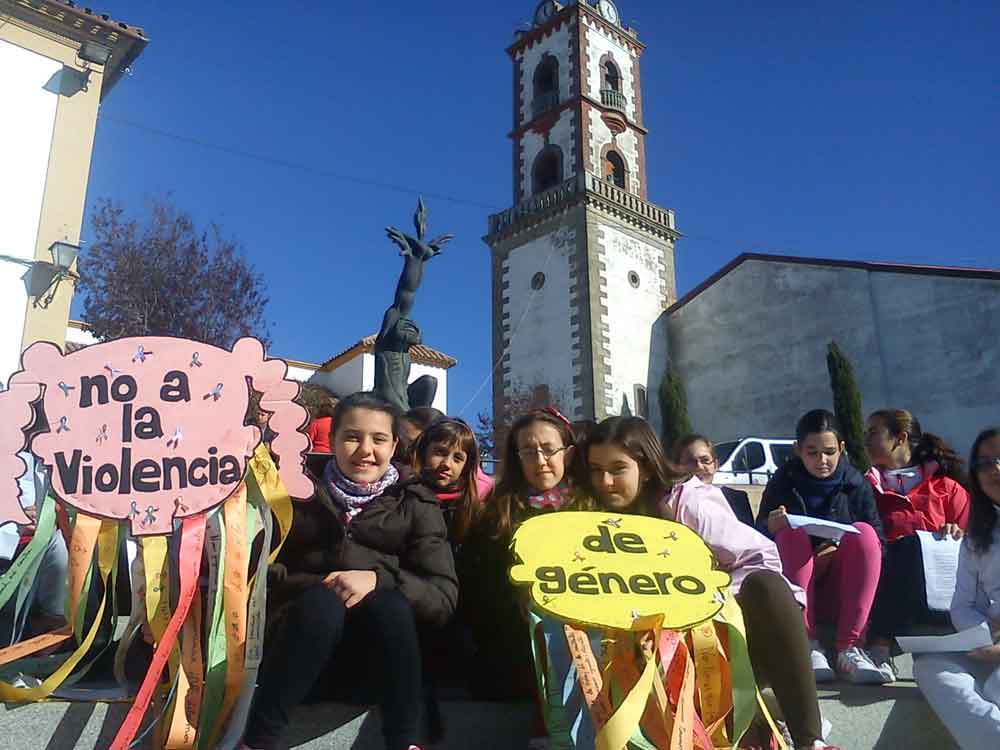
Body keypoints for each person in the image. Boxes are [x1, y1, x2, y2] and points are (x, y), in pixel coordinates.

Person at [584, 416, 832, 750]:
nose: (604, 481)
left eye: (617, 469)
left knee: (767, 586)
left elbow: (761, 558)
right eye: (595, 469)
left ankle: (809, 740)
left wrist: (702, 602)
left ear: (645, 468)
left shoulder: (689, 504)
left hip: (709, 641)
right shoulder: (587, 513)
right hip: (635, 653)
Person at [240, 392, 457, 750]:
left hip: (379, 662)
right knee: (323, 604)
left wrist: (378, 579)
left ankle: (405, 742)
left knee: (388, 603)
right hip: (295, 649)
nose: (365, 450)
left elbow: (442, 596)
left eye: (379, 439)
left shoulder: (416, 501)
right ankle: (258, 741)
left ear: (394, 445)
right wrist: (322, 586)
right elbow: (256, 569)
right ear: (333, 439)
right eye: (353, 437)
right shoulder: (295, 490)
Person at [461, 407, 591, 750]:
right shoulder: (498, 511)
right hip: (517, 640)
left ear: (568, 453)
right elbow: (479, 584)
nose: (540, 460)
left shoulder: (592, 509)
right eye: (528, 451)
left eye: (548, 449)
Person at [756, 409, 888, 684]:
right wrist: (771, 526)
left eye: (829, 452)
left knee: (864, 533)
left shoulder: (856, 484)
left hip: (844, 587)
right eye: (812, 453)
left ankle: (849, 646)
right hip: (799, 586)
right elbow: (757, 540)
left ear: (841, 448)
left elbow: (878, 543)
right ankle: (807, 642)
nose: (822, 461)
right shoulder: (783, 482)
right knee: (790, 533)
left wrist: (835, 547)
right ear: (798, 450)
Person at [864, 409, 971, 679]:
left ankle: (881, 644)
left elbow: (978, 544)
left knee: (911, 546)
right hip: (886, 587)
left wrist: (957, 532)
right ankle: (880, 646)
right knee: (900, 548)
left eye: (873, 432)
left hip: (942, 591)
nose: (865, 440)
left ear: (900, 438)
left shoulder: (947, 489)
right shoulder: (864, 489)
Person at [913, 427, 1000, 748]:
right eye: (986, 463)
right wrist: (982, 637)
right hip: (990, 641)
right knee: (931, 668)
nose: (995, 469)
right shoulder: (977, 536)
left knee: (996, 686)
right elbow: (963, 604)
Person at [674, 433, 755, 526]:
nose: (699, 466)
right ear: (677, 467)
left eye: (705, 460)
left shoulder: (737, 499)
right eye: (690, 461)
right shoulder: (672, 504)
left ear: (715, 465)